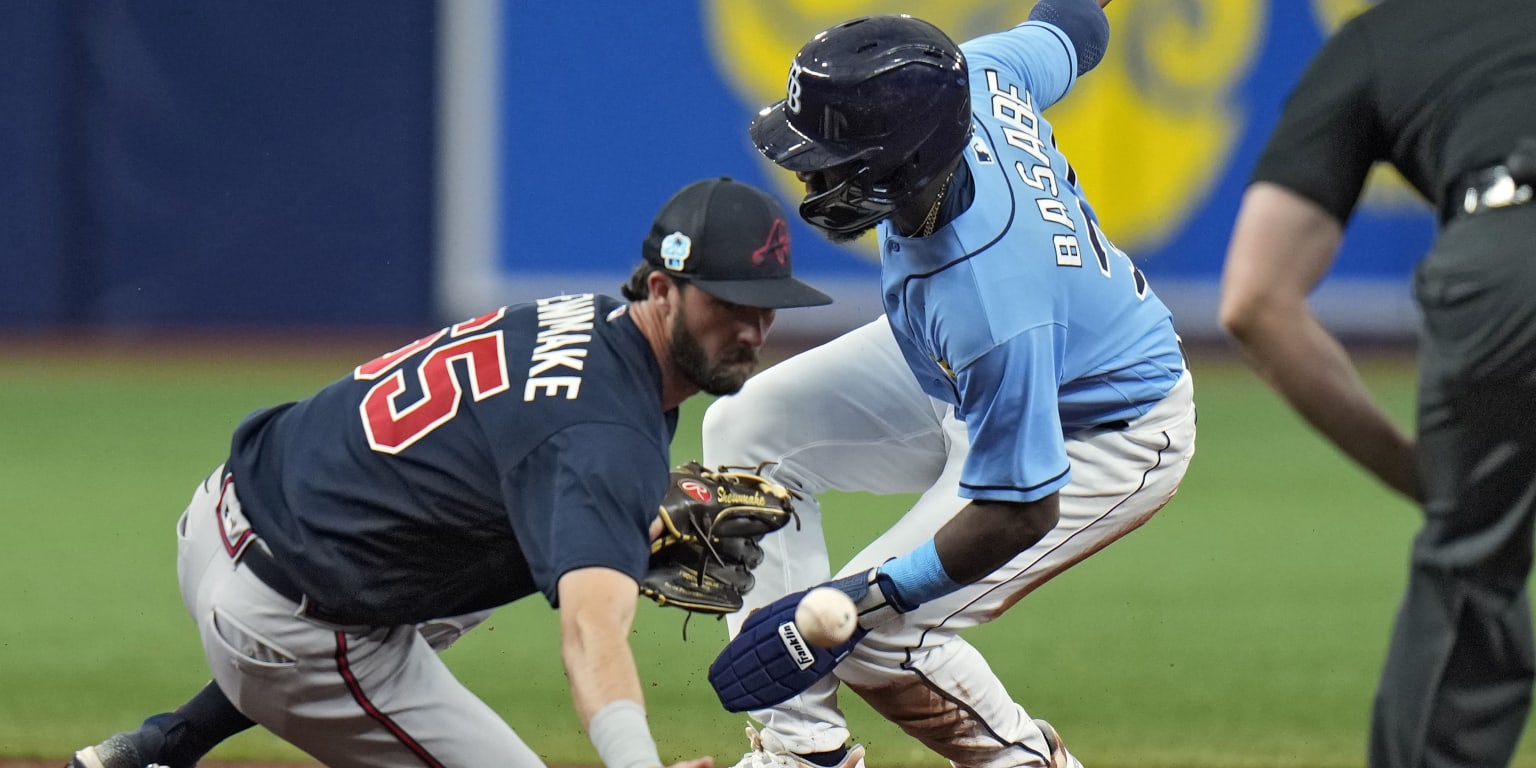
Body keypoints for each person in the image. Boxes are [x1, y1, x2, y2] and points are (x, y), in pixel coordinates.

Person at [68, 176, 832, 768]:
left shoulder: (588, 321)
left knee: (498, 551)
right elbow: (590, 633)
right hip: (289, 630)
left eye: (767, 305)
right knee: (563, 581)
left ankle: (162, 745)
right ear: (661, 290)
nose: (752, 327)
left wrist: (613, 531)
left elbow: (534, 447)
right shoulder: (605, 439)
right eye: (728, 302)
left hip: (228, 515)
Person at [702, 4, 1195, 768]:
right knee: (749, 429)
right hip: (972, 369)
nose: (806, 169)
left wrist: (870, 595)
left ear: (898, 163)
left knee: (881, 643)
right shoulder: (979, 78)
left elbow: (1021, 510)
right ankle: (802, 754)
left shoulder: (990, 298)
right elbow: (1071, 27)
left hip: (1101, 432)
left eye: (831, 155)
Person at [1217, 2, 1536, 766]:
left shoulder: (1378, 39)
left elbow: (1255, 301)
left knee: (1469, 576)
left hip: (1508, 256)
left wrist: (1433, 479)